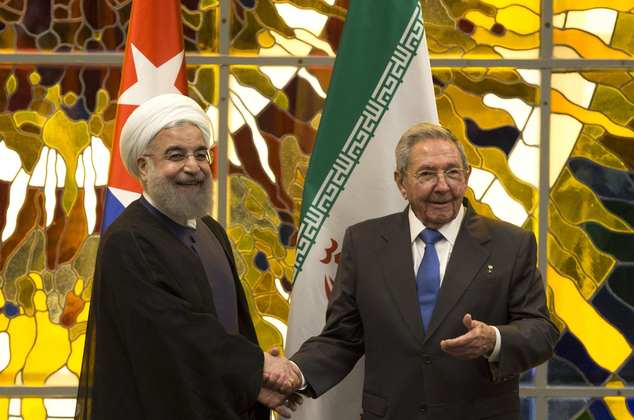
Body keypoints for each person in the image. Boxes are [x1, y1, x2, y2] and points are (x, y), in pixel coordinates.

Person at [286, 123, 560, 419]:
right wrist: (294, 372)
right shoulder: (363, 243)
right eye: (427, 173)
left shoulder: (510, 244)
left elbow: (541, 331)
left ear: (467, 177)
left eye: (453, 172)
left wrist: (494, 339)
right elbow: (342, 338)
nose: (443, 186)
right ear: (401, 182)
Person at [75, 94, 301, 420]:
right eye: (176, 155)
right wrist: (257, 367)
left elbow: (228, 327)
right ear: (144, 166)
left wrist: (253, 374)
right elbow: (174, 337)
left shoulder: (211, 231)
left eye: (200, 154)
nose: (192, 166)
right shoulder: (128, 241)